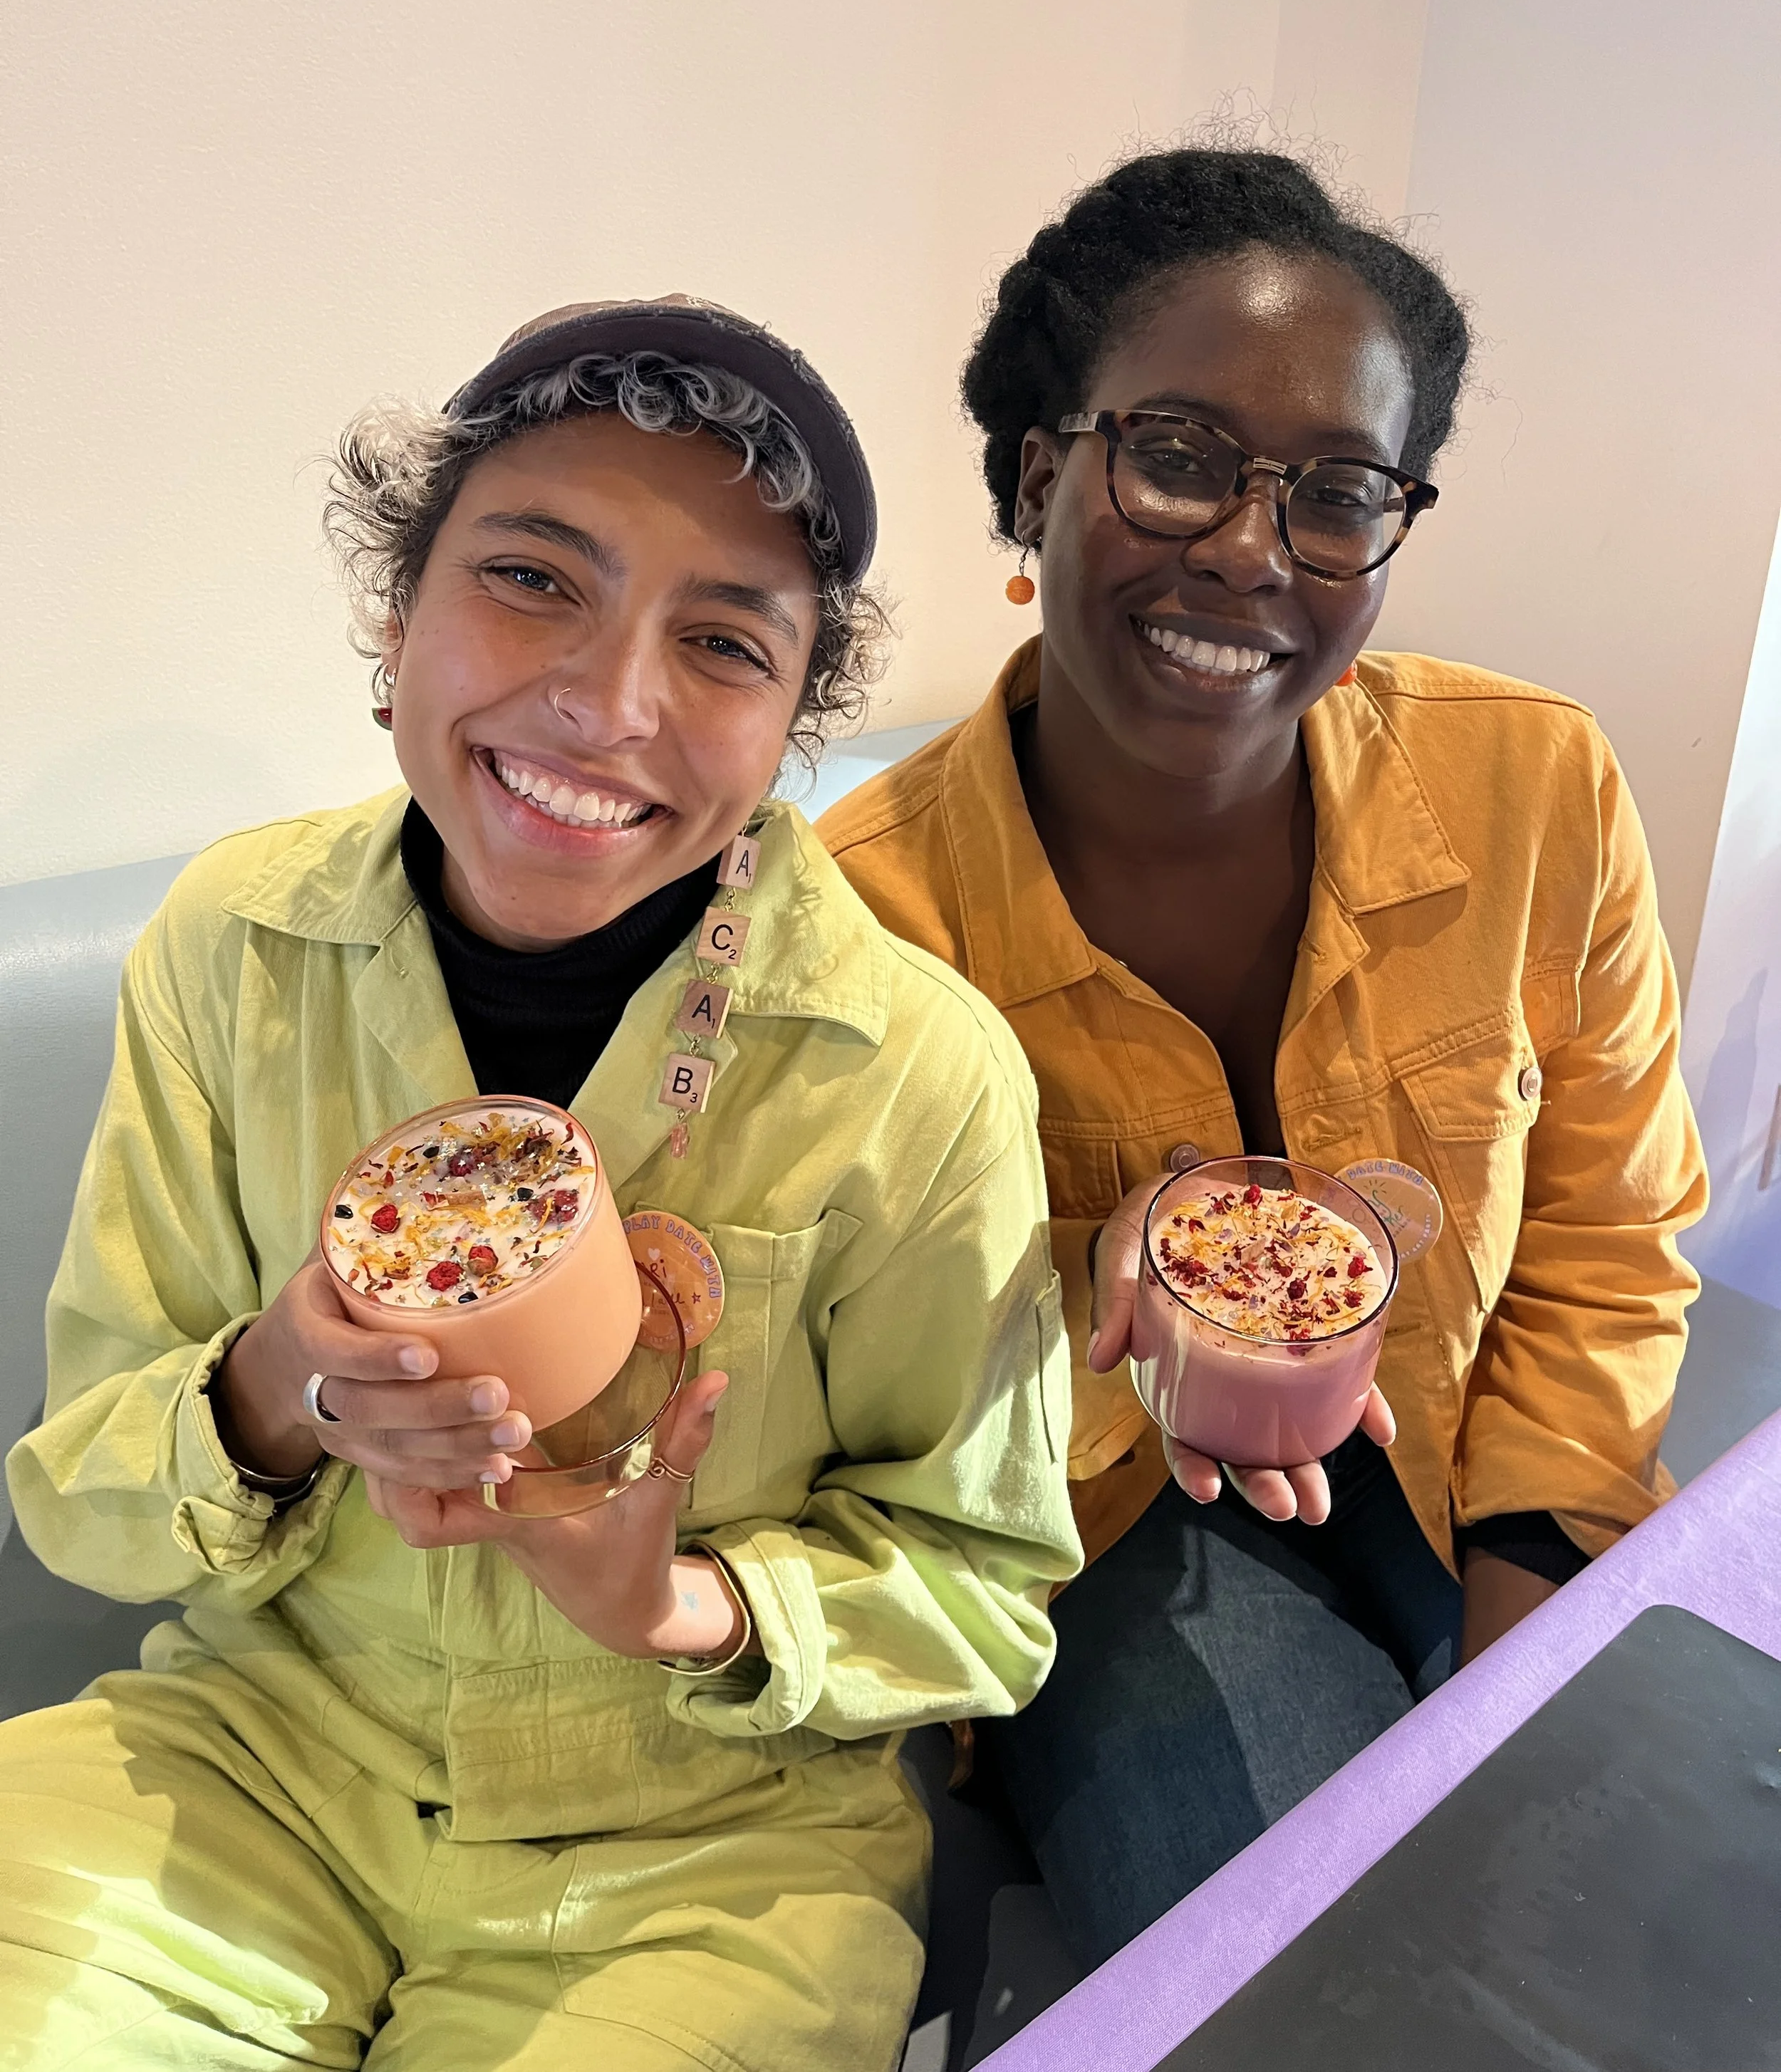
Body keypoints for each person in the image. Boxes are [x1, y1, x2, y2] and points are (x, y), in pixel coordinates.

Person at [0, 300, 1079, 2070]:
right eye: (529, 577)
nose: (603, 699)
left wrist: (680, 1608)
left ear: (793, 720)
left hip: (716, 1844)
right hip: (260, 1756)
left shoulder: (912, 1072)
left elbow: (977, 1572)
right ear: (396, 611)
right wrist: (279, 1390)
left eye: (724, 642)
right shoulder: (235, 951)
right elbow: (80, 1488)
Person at [819, 150, 1705, 1965]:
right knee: (1324, 1983)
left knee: (1646, 1923)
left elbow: (1611, 1240)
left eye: (1336, 493)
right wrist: (1095, 1324)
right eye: (1178, 456)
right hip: (1103, 1543)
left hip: (1482, 1451)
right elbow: (850, 1426)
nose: (1248, 546)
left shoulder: (1533, 787)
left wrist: (1525, 1580)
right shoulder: (860, 928)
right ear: (1037, 471)